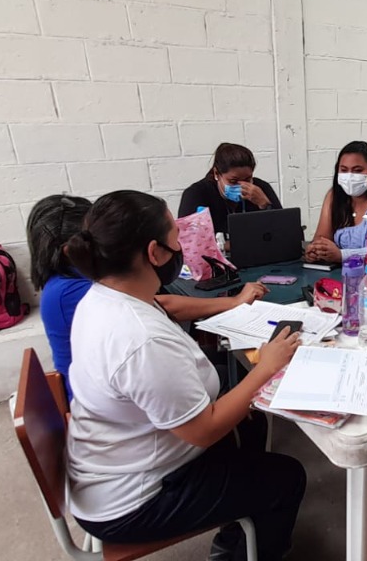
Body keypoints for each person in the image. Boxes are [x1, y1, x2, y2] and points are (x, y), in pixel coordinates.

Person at [63, 191, 305, 561]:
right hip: (134, 500)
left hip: (115, 459)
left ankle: (236, 526)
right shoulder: (141, 341)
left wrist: (233, 301)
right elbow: (203, 430)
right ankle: (240, 552)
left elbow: (167, 304)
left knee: (250, 422)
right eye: (176, 238)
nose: (182, 248)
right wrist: (266, 368)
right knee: (287, 477)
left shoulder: (106, 295)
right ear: (154, 253)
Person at [25, 194, 268, 398]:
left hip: (111, 394)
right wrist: (263, 368)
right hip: (119, 406)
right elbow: (159, 308)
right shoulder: (85, 296)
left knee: (223, 361)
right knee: (243, 374)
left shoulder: (85, 288)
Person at [177, 143, 282, 234]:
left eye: (247, 179)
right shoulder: (196, 194)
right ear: (216, 174)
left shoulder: (261, 188)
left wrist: (265, 204)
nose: (242, 186)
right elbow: (189, 239)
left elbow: (283, 231)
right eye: (233, 181)